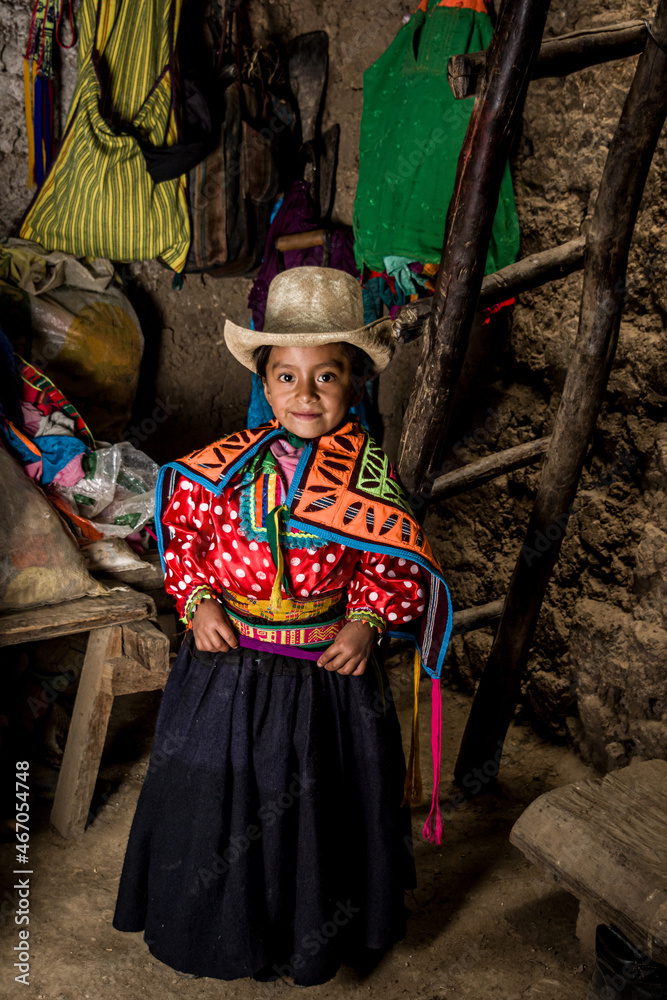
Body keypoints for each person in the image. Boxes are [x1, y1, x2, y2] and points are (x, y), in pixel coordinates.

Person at [113, 267, 453, 986]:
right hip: (226, 673)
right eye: (287, 377)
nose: (305, 394)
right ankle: (223, 932)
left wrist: (364, 626)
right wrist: (199, 602)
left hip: (325, 684)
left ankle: (312, 931)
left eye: (325, 377)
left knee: (317, 808)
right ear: (264, 387)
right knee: (221, 803)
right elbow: (186, 544)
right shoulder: (222, 473)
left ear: (353, 384)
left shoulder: (369, 482)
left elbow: (391, 566)